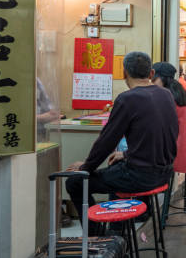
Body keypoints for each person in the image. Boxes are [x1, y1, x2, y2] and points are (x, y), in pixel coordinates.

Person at [65, 52, 178, 236]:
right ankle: (116, 232)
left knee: (74, 183)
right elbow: (158, 138)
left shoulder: (127, 99)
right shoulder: (166, 95)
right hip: (165, 173)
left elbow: (107, 141)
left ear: (124, 73)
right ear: (151, 73)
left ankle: (98, 238)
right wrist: (125, 155)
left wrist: (86, 167)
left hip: (139, 176)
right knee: (115, 167)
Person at [152, 62, 186, 174]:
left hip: (178, 151)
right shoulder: (177, 91)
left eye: (153, 79)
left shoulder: (167, 96)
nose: (151, 82)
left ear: (161, 78)